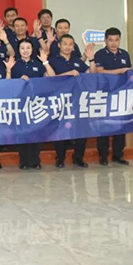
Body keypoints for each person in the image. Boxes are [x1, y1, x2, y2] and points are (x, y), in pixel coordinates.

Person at [49, 35, 96, 168]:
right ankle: (60, 157)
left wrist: (91, 59)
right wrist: (68, 73)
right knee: (60, 129)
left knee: (81, 129)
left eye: (71, 44)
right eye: (65, 44)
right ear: (59, 45)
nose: (68, 47)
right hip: (60, 100)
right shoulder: (53, 60)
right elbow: (49, 79)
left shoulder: (77, 61)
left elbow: (92, 75)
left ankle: (78, 157)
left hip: (77, 100)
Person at [11, 40, 54, 170]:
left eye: (28, 48)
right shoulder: (14, 64)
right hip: (21, 104)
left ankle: (35, 160)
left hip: (37, 103)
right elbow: (8, 83)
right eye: (22, 48)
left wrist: (45, 62)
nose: (25, 50)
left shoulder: (38, 64)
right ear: (18, 50)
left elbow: (52, 77)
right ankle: (24, 161)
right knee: (23, 133)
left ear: (32, 49)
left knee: (37, 132)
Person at [94, 27, 132, 166]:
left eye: (116, 40)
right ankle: (103, 155)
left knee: (120, 126)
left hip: (121, 95)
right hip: (104, 94)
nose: (113, 43)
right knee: (104, 125)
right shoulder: (100, 54)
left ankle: (118, 155)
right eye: (110, 40)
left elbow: (129, 72)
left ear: (120, 40)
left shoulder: (125, 54)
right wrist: (120, 71)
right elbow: (100, 71)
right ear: (105, 41)